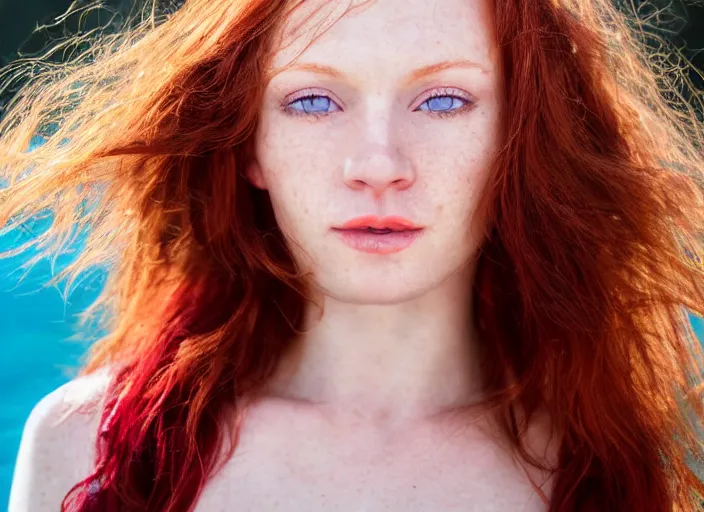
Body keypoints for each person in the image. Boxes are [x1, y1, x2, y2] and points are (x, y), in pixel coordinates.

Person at [2, 0, 704, 510]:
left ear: (518, 141)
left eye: (443, 101)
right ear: (250, 145)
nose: (377, 164)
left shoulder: (603, 470)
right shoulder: (91, 450)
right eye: (312, 102)